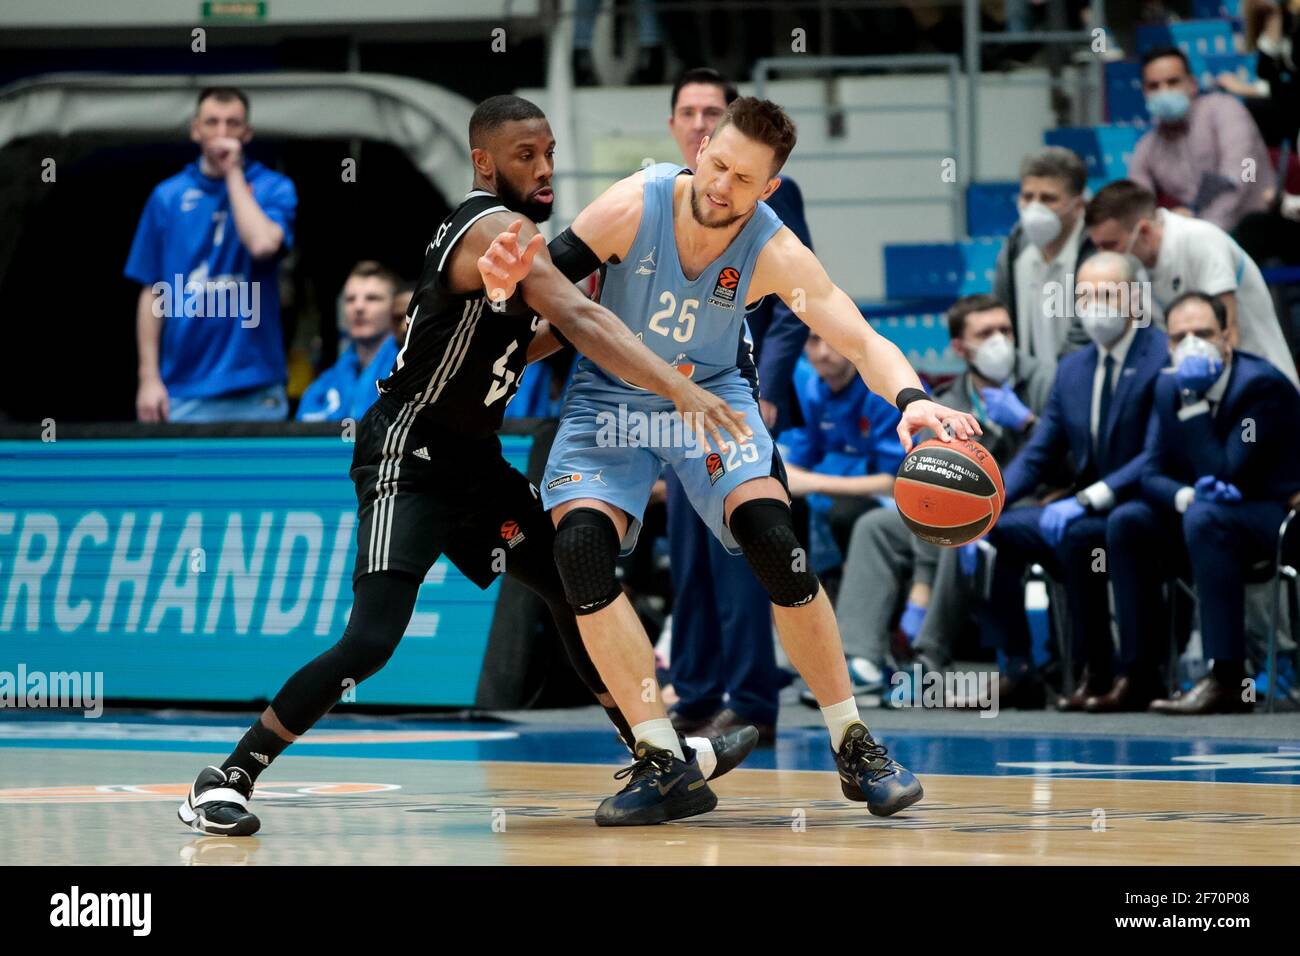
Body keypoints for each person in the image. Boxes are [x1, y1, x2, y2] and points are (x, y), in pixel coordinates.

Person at [176, 95, 759, 837]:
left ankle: (659, 753)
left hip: (473, 463)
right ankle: (226, 777)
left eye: (548, 150)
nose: (545, 167)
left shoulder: (521, 242)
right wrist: (676, 386)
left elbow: (535, 338)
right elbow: (578, 319)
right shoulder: (491, 226)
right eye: (526, 155)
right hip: (407, 456)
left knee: (574, 589)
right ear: (485, 162)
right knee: (371, 642)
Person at [478, 96, 982, 825]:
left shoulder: (775, 250)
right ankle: (660, 759)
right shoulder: (634, 203)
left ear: (769, 189)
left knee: (777, 546)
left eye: (744, 179)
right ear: (702, 145)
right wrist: (491, 296)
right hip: (609, 396)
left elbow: (861, 339)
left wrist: (910, 399)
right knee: (581, 553)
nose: (721, 185)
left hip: (710, 400)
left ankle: (854, 741)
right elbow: (541, 292)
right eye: (716, 163)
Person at [659, 68, 815, 746]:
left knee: (746, 548)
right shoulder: (658, 197)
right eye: (688, 112)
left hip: (742, 397)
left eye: (711, 111)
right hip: (676, 400)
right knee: (689, 555)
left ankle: (753, 700)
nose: (699, 122)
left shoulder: (775, 201)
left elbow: (795, 307)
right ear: (674, 127)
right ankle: (695, 694)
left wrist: (771, 393)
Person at [971, 253, 1168, 709]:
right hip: (1089, 511)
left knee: (1089, 534)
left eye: (1106, 294)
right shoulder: (1074, 369)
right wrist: (985, 504)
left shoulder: (1162, 355)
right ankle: (1024, 670)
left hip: (1148, 503)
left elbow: (1155, 454)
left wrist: (1087, 499)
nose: (1094, 305)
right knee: (993, 534)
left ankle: (1131, 675)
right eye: (1084, 295)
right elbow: (1039, 453)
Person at [832, 295, 1054, 695]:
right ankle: (860, 659)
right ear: (959, 347)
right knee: (876, 525)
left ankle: (926, 655)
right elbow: (934, 482)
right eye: (985, 333)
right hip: (963, 508)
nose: (999, 340)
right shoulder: (948, 401)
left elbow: (1067, 457)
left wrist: (1027, 422)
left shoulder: (1043, 381)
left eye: (1005, 330)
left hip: (1027, 505)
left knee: (958, 526)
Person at [1108, 291, 1300, 714]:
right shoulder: (1166, 384)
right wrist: (1186, 494)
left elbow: (1227, 469)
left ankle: (1228, 679)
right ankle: (1140, 673)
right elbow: (1152, 472)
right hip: (1204, 514)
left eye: (1204, 333)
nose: (1192, 343)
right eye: (1181, 337)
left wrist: (1192, 403)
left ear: (1228, 336)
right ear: (1169, 347)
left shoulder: (1259, 387)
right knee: (1128, 521)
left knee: (1206, 519)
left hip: (1274, 514)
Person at [126, 87, 297, 423]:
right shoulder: (167, 196)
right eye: (212, 122)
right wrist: (148, 378)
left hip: (255, 384)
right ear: (195, 129)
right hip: (183, 387)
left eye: (232, 124)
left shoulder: (274, 187)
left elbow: (262, 244)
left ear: (247, 133)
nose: (222, 134)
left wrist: (233, 173)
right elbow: (151, 290)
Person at [1086, 179, 1300, 388]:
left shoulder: (1201, 241)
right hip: (1196, 386)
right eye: (1098, 247)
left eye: (1110, 245)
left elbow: (1228, 333)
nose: (1104, 256)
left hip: (1257, 383)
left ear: (1144, 231)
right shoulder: (1131, 266)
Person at [782, 333, 905, 599]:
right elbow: (799, 464)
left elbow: (894, 483)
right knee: (780, 506)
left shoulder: (883, 391)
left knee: (844, 513)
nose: (823, 352)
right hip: (835, 494)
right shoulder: (814, 391)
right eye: (814, 341)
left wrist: (815, 483)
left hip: (888, 501)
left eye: (832, 340)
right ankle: (799, 602)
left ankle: (857, 605)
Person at [1128, 46, 1276, 233]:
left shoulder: (1224, 110)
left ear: (1192, 84)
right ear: (1144, 93)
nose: (1164, 92)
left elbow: (1237, 177)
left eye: (1173, 82)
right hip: (1198, 237)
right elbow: (1136, 206)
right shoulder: (1147, 147)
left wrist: (1202, 232)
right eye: (1154, 86)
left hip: (1253, 228)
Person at [992, 146, 1095, 369]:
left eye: (1048, 198)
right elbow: (1001, 313)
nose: (1035, 207)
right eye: (1028, 196)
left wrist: (1059, 385)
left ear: (1078, 205)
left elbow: (1090, 332)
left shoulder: (1095, 250)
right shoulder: (1016, 245)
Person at [296, 261, 402, 423]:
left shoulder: (408, 376)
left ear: (395, 309)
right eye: (350, 299)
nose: (358, 307)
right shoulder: (325, 384)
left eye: (372, 298)